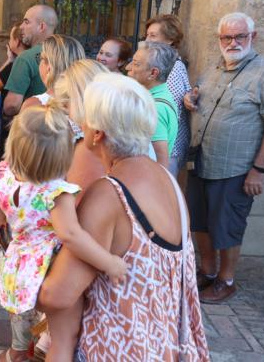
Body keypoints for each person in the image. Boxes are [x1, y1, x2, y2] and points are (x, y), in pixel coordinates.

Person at [37, 73, 209, 361]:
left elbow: (59, 295)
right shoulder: (167, 181)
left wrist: (19, 270)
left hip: (114, 347)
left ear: (97, 134)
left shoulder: (108, 194)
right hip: (161, 347)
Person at [0, 104, 127, 362]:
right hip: (52, 270)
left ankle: (16, 352)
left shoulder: (2, 175)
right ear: (63, 155)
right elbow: (71, 235)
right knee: (63, 339)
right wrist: (110, 263)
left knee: (26, 321)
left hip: (19, 267)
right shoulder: (55, 193)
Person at [184, 12, 264, 303]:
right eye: (227, 37)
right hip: (202, 161)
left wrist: (259, 170)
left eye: (239, 36)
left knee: (227, 226)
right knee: (200, 223)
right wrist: (190, 98)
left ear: (253, 37)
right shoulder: (214, 68)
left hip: (236, 168)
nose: (233, 42)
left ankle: (227, 280)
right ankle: (207, 270)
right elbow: (200, 96)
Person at [145, 15, 192, 176]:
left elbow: (169, 110)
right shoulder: (167, 65)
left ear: (170, 40)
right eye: (147, 35)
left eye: (153, 36)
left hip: (168, 149)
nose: (147, 40)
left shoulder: (173, 69)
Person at [55, 59, 109, 189]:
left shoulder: (92, 144)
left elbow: (78, 203)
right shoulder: (123, 127)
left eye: (66, 105)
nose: (66, 112)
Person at [127, 41, 179, 169]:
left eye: (136, 64)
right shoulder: (160, 96)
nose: (128, 68)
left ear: (153, 73)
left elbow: (160, 162)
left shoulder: (155, 108)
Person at [2, 5, 58, 117]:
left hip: (32, 127)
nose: (21, 27)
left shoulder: (25, 58)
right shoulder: (68, 53)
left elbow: (11, 106)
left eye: (26, 22)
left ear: (41, 26)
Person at [0, 23, 27, 169]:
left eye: (10, 39)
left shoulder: (17, 65)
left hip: (7, 132)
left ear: (16, 42)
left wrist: (9, 60)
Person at [21, 34, 84, 110]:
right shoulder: (87, 103)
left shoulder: (34, 105)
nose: (40, 62)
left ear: (49, 68)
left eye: (40, 58)